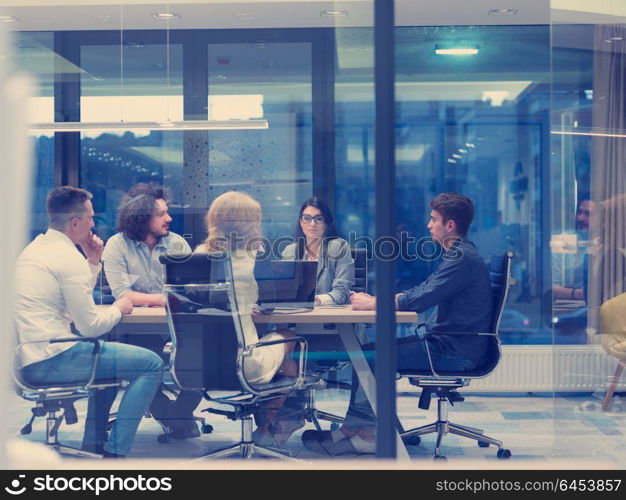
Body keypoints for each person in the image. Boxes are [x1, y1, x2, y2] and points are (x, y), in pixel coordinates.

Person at [302, 192, 494, 456]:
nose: (428, 225)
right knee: (368, 351)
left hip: (452, 351)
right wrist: (378, 300)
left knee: (368, 357)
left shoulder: (462, 257)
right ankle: (351, 431)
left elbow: (423, 298)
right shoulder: (460, 254)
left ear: (450, 226)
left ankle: (365, 435)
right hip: (448, 344)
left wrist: (375, 303)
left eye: (433, 219)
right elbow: (425, 289)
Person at [14, 186, 163, 458]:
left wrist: (93, 262)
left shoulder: (36, 249)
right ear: (74, 222)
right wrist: (119, 307)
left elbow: (74, 301)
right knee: (151, 364)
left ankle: (93, 443)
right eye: (90, 217)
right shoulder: (66, 257)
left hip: (27, 358)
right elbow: (89, 326)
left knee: (107, 360)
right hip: (52, 360)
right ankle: (115, 455)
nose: (94, 223)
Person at [195, 191, 298, 444]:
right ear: (250, 223)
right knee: (289, 340)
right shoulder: (256, 257)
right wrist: (247, 305)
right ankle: (268, 428)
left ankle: (272, 424)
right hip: (244, 363)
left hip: (200, 364)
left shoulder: (197, 255)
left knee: (275, 352)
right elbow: (272, 300)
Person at [102, 183, 201, 438]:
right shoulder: (116, 245)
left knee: (203, 361)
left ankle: (176, 417)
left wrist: (154, 299)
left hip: (179, 327)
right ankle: (176, 420)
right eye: (161, 214)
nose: (169, 218)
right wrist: (164, 299)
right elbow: (122, 294)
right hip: (139, 329)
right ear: (141, 217)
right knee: (145, 364)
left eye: (167, 212)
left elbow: (190, 292)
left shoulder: (177, 243)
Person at [282, 197, 355, 305]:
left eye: (319, 219)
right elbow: (284, 291)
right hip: (297, 316)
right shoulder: (290, 251)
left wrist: (316, 301)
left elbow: (342, 292)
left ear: (326, 223)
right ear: (301, 222)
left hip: (330, 316)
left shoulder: (340, 247)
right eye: (307, 218)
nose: (312, 224)